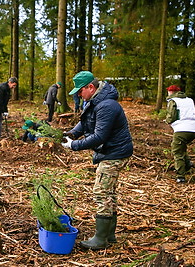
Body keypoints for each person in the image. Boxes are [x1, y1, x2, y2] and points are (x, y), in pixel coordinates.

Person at [62, 71, 133, 250]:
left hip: (114, 153)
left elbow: (99, 136)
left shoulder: (106, 105)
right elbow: (85, 123)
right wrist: (70, 135)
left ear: (90, 87)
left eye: (80, 91)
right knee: (109, 193)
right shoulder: (94, 101)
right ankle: (109, 235)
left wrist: (74, 145)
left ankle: (100, 239)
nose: (79, 95)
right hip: (110, 152)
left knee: (101, 192)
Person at [165, 85, 195, 183]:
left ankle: (181, 176)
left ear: (171, 92)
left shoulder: (173, 101)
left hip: (182, 129)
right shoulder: (189, 100)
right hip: (194, 129)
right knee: (181, 146)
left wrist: (167, 121)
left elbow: (172, 116)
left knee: (177, 151)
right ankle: (188, 164)